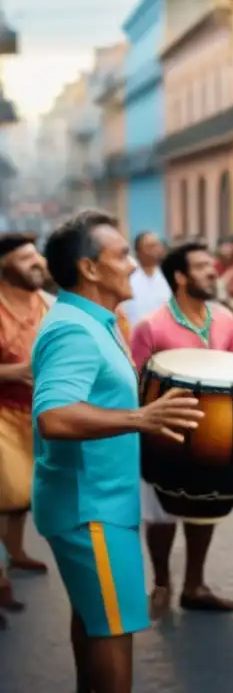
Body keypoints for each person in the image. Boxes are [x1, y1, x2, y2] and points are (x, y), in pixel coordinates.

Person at [32, 210, 204, 693]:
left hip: (96, 505)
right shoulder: (74, 329)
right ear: (89, 268)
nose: (132, 265)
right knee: (111, 634)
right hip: (92, 512)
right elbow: (54, 415)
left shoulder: (93, 321)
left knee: (93, 619)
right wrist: (140, 419)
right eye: (122, 254)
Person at [129, 241, 233, 619]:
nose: (212, 271)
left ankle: (195, 585)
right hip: (163, 437)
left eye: (212, 264)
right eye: (201, 266)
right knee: (161, 514)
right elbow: (136, 383)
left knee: (205, 507)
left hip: (214, 436)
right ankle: (162, 584)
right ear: (180, 277)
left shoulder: (225, 319)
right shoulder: (150, 326)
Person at [0, 233, 51, 624]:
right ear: (4, 268)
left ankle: (15, 553)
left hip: (35, 414)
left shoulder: (47, 304)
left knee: (23, 495)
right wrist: (17, 371)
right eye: (26, 259)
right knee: (9, 490)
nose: (37, 264)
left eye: (37, 257)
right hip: (0, 414)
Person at [119, 231, 169, 330]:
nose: (156, 250)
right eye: (150, 247)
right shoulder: (127, 275)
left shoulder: (169, 276)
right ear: (138, 251)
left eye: (158, 246)